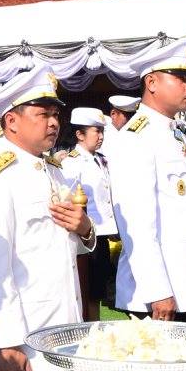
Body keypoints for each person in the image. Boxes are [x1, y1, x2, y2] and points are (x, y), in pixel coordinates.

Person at [0, 66, 94, 371]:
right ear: (12, 121)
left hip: (56, 331)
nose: (53, 123)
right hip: (22, 340)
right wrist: (8, 343)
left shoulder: (53, 170)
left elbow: (62, 247)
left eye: (55, 114)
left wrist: (84, 229)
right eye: (42, 114)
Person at [108, 42, 186, 326]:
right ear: (151, 83)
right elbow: (136, 225)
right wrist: (157, 291)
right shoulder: (136, 138)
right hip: (166, 291)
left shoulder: (177, 134)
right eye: (180, 78)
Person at [62, 107, 118, 318]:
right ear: (80, 134)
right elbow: (68, 199)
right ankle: (88, 327)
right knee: (87, 291)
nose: (101, 136)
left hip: (100, 234)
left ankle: (94, 324)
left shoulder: (101, 159)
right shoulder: (72, 163)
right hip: (84, 237)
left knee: (97, 291)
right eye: (96, 131)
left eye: (102, 131)